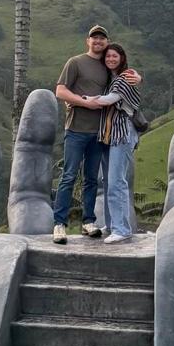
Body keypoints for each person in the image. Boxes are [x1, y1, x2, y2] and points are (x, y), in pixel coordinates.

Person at [53, 25, 139, 244]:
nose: (98, 42)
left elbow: (124, 80)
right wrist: (83, 102)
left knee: (92, 179)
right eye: (94, 38)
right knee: (69, 176)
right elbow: (60, 91)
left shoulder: (106, 67)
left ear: (107, 42)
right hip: (76, 129)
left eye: (102, 39)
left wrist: (138, 77)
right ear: (87, 41)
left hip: (101, 134)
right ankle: (59, 224)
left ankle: (88, 221)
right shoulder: (75, 62)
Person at [81, 42, 143, 244]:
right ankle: (112, 223)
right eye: (108, 56)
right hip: (110, 133)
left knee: (117, 182)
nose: (110, 59)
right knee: (108, 181)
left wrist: (86, 100)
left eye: (114, 56)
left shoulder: (126, 77)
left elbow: (111, 99)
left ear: (122, 57)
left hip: (122, 133)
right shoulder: (113, 78)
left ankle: (122, 229)